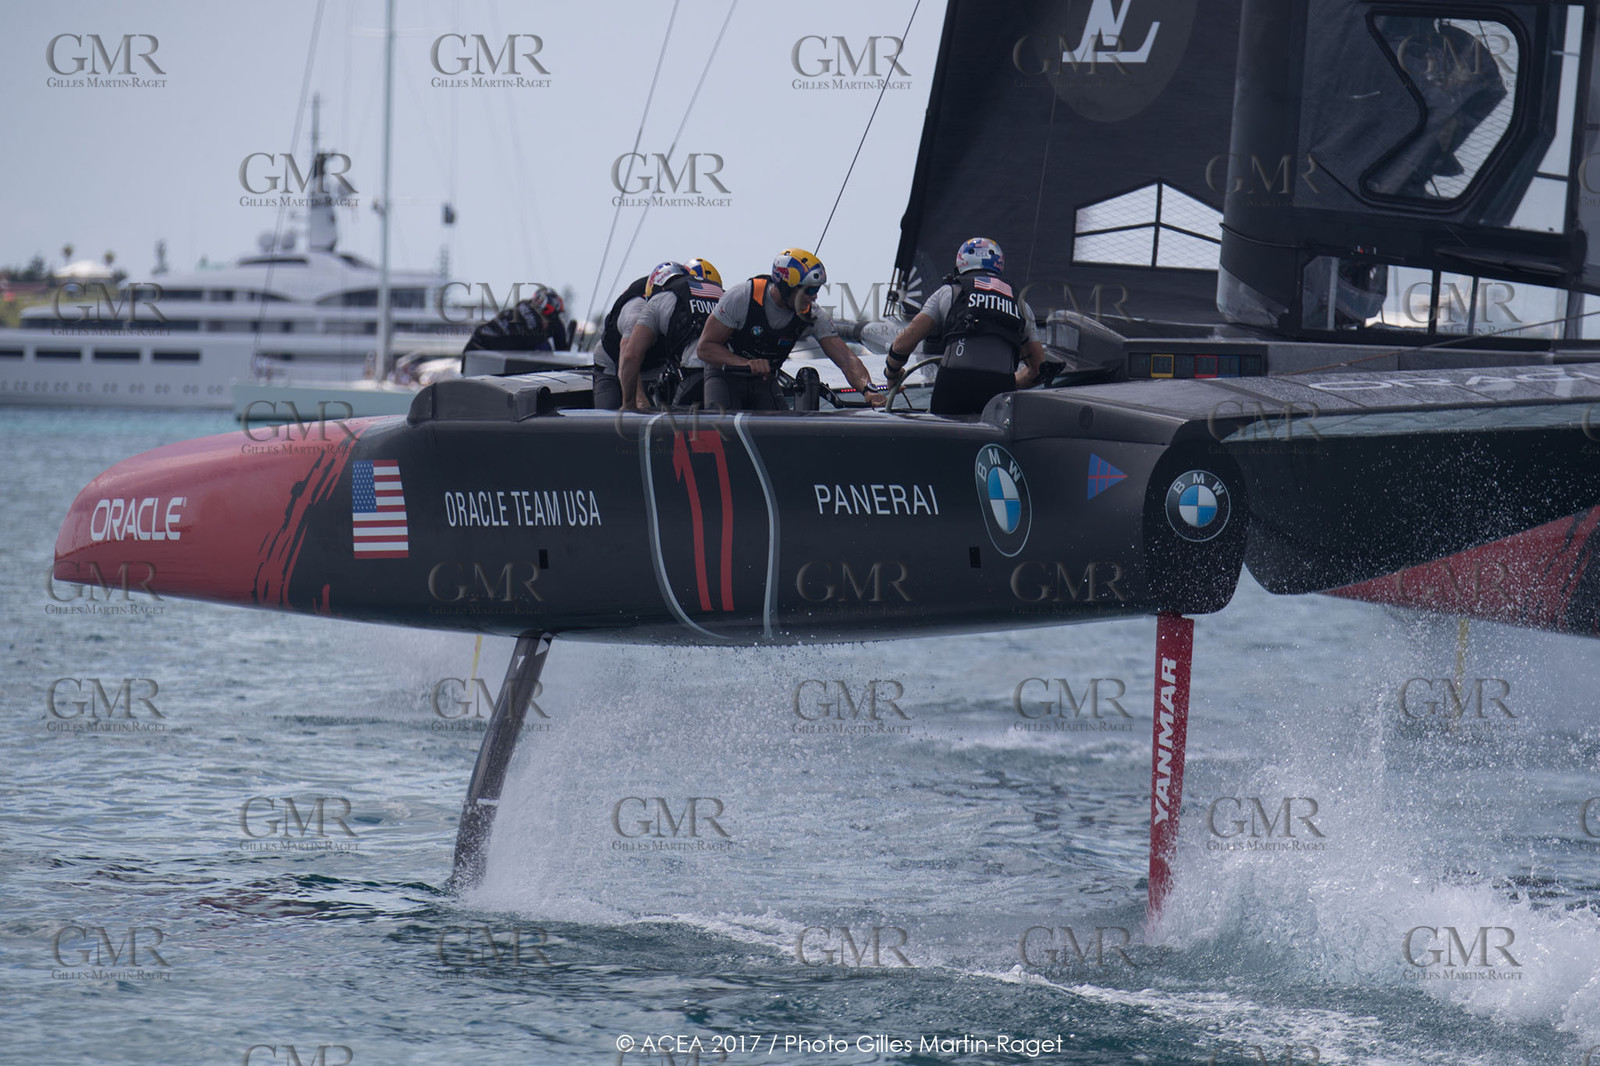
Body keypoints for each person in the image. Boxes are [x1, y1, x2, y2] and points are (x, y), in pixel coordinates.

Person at [696, 248, 882, 411]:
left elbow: (847, 360)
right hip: (725, 376)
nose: (814, 297)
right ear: (786, 287)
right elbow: (705, 348)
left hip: (763, 379)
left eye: (817, 290)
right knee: (725, 431)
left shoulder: (812, 315)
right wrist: (745, 363)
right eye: (809, 290)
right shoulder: (741, 297)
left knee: (778, 432)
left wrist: (868, 389)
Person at [884, 238, 1046, 416]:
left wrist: (892, 374)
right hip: (999, 392)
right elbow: (1038, 370)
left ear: (961, 263)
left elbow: (903, 343)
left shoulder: (948, 292)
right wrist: (1003, 382)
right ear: (999, 265)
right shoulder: (1022, 305)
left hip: (953, 386)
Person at [619, 258, 723, 410]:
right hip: (734, 374)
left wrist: (628, 404)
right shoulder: (719, 290)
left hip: (696, 372)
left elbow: (630, 356)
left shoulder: (658, 300)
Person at [591, 262, 683, 410]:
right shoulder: (636, 311)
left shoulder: (682, 303)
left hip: (654, 364)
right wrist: (637, 401)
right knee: (609, 411)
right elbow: (628, 358)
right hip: (614, 363)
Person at [462, 284, 571, 353]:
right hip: (480, 350)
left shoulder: (553, 325)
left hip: (488, 351)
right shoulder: (528, 322)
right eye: (550, 318)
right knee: (542, 348)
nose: (552, 323)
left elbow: (561, 347)